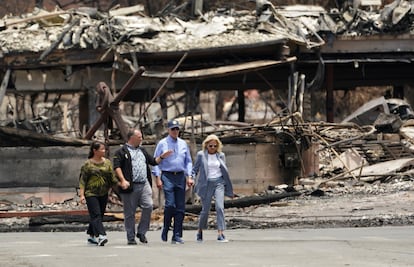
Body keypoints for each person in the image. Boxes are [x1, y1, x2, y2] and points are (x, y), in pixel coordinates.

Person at [113, 128, 172, 245]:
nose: (141, 139)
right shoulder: (121, 152)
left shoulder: (142, 150)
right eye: (139, 137)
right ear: (132, 138)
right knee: (130, 212)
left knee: (148, 206)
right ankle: (130, 236)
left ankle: (142, 231)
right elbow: (117, 167)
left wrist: (163, 157)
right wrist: (123, 180)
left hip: (144, 184)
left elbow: (153, 161)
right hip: (130, 186)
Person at [152, 120, 194, 244]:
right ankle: (166, 226)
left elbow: (188, 161)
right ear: (168, 130)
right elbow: (155, 161)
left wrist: (189, 176)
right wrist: (158, 177)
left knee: (180, 207)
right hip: (168, 175)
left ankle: (177, 234)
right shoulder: (162, 143)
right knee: (170, 204)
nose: (175, 131)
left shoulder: (183, 144)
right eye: (173, 129)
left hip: (180, 176)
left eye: (177, 129)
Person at [191, 134, 234, 242]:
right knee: (205, 210)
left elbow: (224, 171)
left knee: (220, 207)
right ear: (206, 145)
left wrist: (228, 187)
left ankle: (220, 233)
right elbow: (195, 169)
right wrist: (191, 178)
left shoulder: (221, 155)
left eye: (215, 146)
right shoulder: (201, 155)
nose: (213, 148)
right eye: (210, 146)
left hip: (219, 182)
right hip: (206, 184)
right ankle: (200, 231)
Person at [79, 140, 118, 246]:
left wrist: (121, 184)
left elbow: (112, 178)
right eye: (102, 149)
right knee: (96, 214)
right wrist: (82, 195)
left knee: (99, 215)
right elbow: (82, 180)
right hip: (91, 193)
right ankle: (101, 235)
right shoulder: (88, 164)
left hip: (103, 193)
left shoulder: (107, 163)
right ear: (95, 151)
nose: (104, 151)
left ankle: (91, 236)